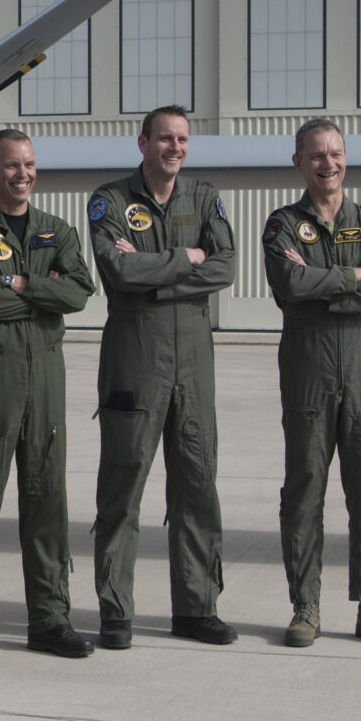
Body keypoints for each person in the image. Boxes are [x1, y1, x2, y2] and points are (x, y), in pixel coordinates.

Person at [263, 119, 361, 649]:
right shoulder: (283, 225)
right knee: (305, 489)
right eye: (317, 155)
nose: (328, 164)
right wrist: (353, 276)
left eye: (335, 153)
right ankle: (306, 606)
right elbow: (288, 283)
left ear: (345, 158)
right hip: (308, 371)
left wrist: (324, 287)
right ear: (298, 162)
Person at [0, 130, 95, 662]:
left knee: (48, 501)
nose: (22, 174)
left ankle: (50, 619)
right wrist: (40, 290)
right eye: (11, 166)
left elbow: (78, 292)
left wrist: (21, 284)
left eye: (29, 165)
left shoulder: (57, 229)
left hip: (47, 381)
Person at [88, 104, 236, 649]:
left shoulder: (203, 196)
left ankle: (197, 609)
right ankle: (115, 610)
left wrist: (160, 271)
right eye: (165, 138)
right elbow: (118, 273)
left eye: (182, 139)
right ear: (143, 142)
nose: (174, 147)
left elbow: (226, 267)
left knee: (198, 483)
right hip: (135, 356)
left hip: (194, 362)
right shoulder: (111, 200)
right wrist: (187, 259)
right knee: (123, 485)